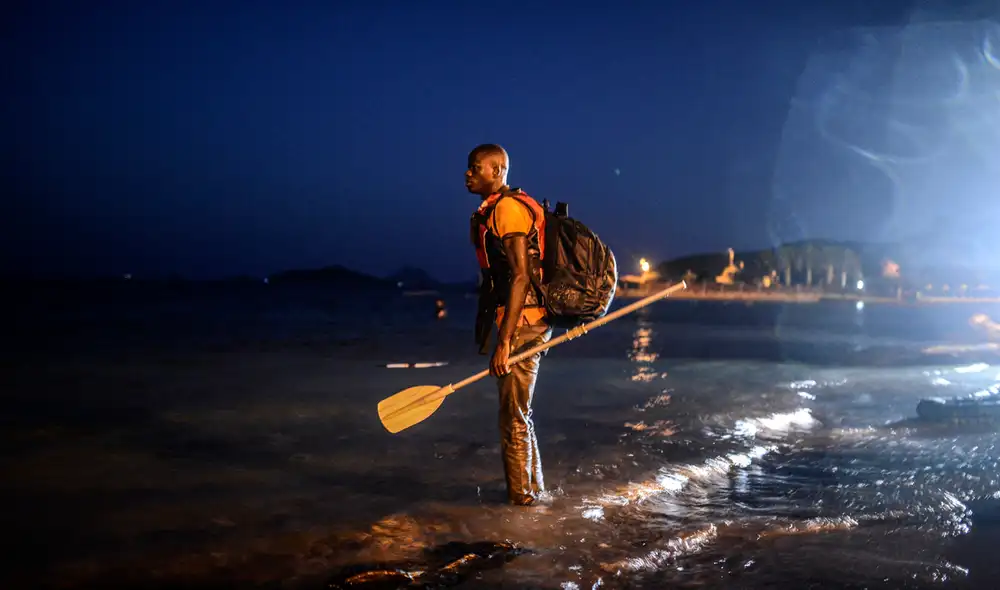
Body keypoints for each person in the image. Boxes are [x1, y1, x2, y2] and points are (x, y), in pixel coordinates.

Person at [466, 143, 552, 506]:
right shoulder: (496, 210)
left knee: (512, 418)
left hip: (524, 323)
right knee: (520, 414)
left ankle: (522, 505)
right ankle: (534, 495)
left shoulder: (508, 210)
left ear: (498, 170)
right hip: (527, 321)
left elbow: (519, 277)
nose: (468, 174)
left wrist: (505, 342)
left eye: (475, 168)